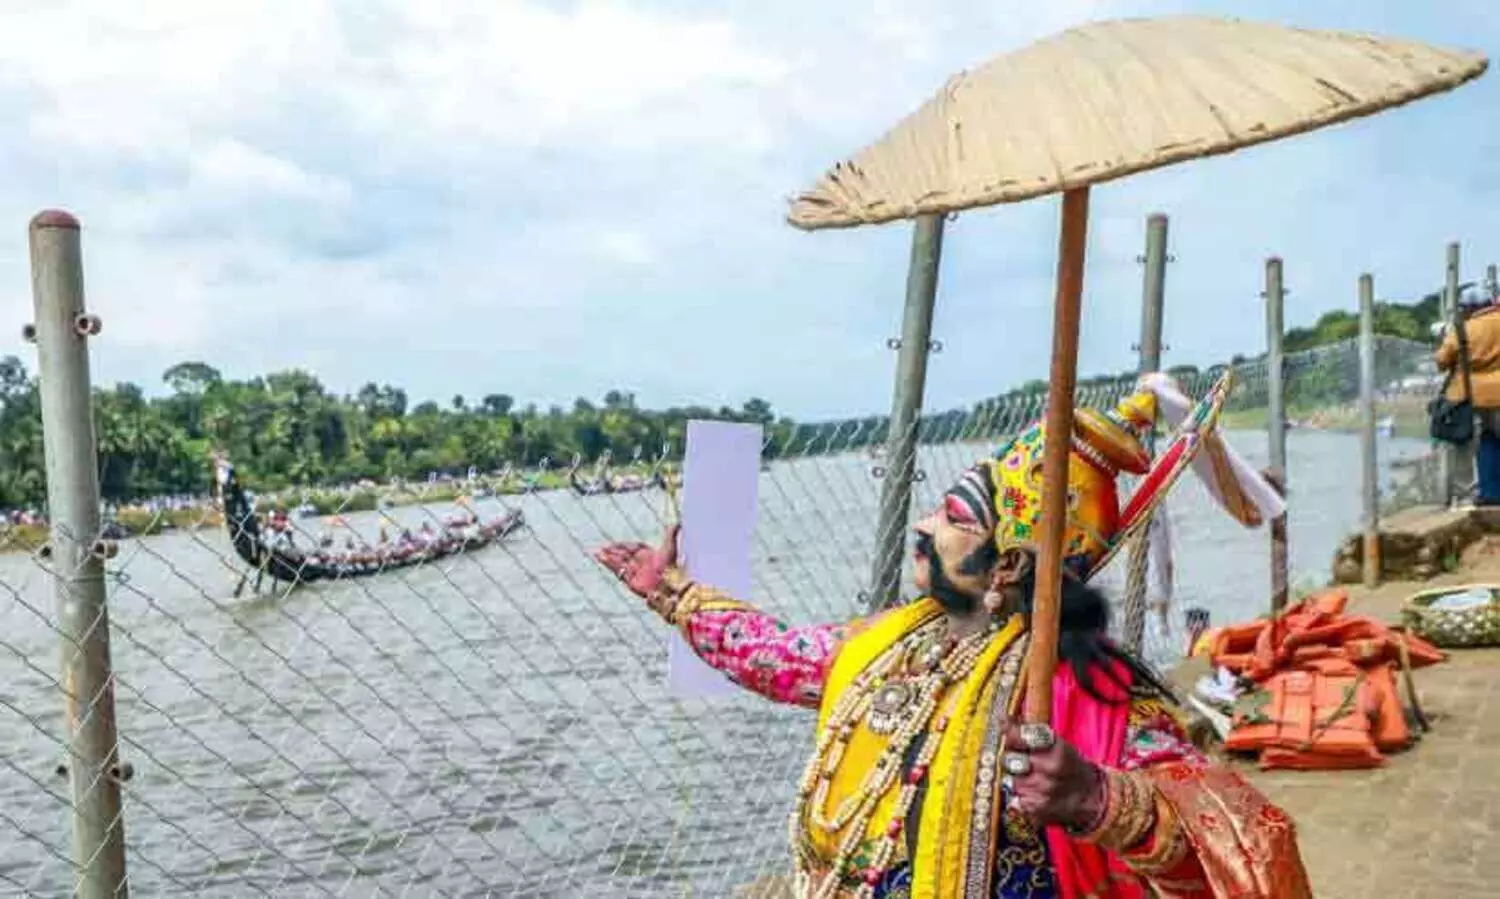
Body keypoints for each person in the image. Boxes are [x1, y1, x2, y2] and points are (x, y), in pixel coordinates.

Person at [596, 375, 1310, 898]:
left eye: (951, 517)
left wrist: (1100, 798)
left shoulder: (1089, 698)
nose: (925, 528)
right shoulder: (893, 641)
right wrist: (676, 592)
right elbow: (777, 656)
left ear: (1007, 564)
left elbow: (1239, 841)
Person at [1436, 290, 1500, 505]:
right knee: (1492, 439)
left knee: (1483, 440)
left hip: (1474, 396)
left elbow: (1442, 361)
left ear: (1469, 308)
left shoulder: (1463, 329)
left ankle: (1489, 494)